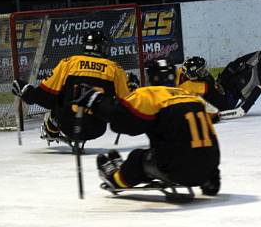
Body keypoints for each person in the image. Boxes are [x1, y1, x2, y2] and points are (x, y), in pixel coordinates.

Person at [76, 59, 221, 196]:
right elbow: (214, 114)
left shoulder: (151, 94)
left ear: (152, 77)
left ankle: (115, 178)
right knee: (186, 144)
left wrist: (95, 100)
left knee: (138, 158)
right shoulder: (193, 96)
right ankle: (211, 181)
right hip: (210, 166)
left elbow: (121, 119)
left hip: (177, 169)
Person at [11, 29, 130, 148]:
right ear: (102, 47)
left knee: (58, 94)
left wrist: (26, 91)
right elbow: (128, 105)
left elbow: (45, 97)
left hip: (67, 124)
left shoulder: (68, 63)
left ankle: (51, 128)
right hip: (97, 128)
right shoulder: (115, 69)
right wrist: (133, 87)